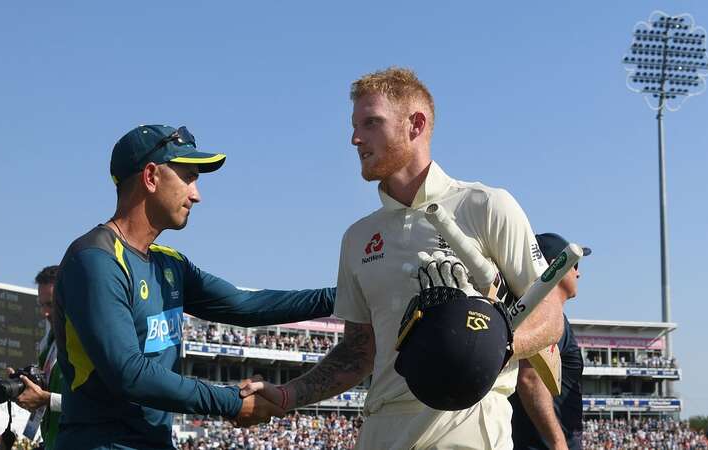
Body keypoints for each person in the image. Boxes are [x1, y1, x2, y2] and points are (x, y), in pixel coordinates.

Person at [241, 67, 568, 449]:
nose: (355, 138)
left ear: (415, 124)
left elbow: (549, 315)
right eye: (354, 125)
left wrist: (498, 343)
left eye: (371, 123)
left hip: (467, 425)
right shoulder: (357, 237)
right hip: (382, 427)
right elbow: (358, 352)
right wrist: (286, 395)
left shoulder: (486, 205)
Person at [52, 124, 336, 450]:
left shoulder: (170, 263)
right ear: (150, 177)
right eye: (188, 177)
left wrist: (348, 295)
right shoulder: (95, 260)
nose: (196, 195)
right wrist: (230, 401)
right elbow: (128, 372)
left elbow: (245, 305)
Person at [510, 233, 589, 450]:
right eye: (575, 265)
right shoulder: (545, 315)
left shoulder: (534, 311)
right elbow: (529, 377)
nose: (579, 274)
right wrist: (557, 442)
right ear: (557, 265)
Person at [9, 265, 64, 449]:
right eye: (42, 305)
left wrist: (46, 399)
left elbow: (98, 404)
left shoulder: (91, 341)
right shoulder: (46, 345)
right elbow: (43, 397)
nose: (45, 313)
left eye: (50, 304)